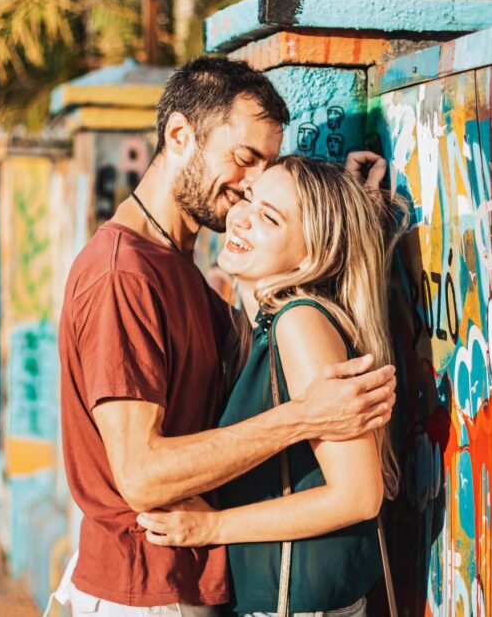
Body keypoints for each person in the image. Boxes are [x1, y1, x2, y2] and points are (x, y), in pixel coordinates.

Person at [55, 57, 395, 617]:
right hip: (148, 590)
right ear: (181, 135)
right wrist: (306, 418)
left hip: (185, 583)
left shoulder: (177, 266)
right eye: (244, 159)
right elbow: (141, 475)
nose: (250, 185)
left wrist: (348, 218)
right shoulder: (123, 273)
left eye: (265, 169)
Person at [135, 156, 400, 617]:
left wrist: (209, 528)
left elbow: (357, 495)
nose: (241, 217)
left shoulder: (298, 323)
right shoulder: (265, 323)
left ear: (313, 256)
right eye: (250, 199)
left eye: (269, 218)